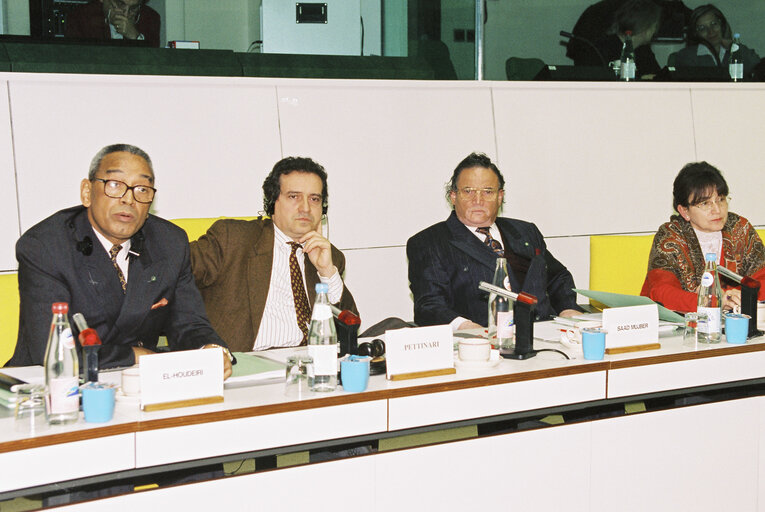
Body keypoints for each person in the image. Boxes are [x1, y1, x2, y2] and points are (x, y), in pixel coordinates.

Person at [6, 143, 232, 379]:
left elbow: (189, 322)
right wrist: (134, 355)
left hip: (140, 384)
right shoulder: (46, 246)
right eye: (115, 185)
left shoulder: (170, 243)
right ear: (87, 191)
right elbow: (53, 351)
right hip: (50, 385)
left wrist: (209, 348)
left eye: (142, 189)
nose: (129, 199)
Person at [190, 157, 358, 352]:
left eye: (314, 199)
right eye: (294, 196)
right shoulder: (232, 240)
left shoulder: (329, 256)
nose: (305, 208)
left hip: (313, 364)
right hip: (248, 365)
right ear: (272, 202)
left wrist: (327, 273)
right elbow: (174, 273)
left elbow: (350, 331)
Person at [406, 153, 582, 330]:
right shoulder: (429, 243)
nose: (478, 200)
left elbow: (558, 277)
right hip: (482, 343)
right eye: (468, 191)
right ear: (453, 196)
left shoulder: (526, 231)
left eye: (487, 191)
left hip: (546, 335)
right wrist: (464, 326)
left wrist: (568, 308)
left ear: (499, 196)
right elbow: (428, 306)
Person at [641, 161, 765, 312]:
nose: (717, 210)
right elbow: (661, 292)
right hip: (683, 327)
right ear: (684, 211)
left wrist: (739, 296)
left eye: (721, 199)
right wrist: (713, 301)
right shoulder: (670, 237)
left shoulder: (740, 229)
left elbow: (762, 279)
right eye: (705, 203)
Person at [571, 0, 663, 79]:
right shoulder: (599, 49)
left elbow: (657, 75)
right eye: (654, 26)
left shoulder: (644, 51)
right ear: (645, 27)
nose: (655, 30)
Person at [669, 4, 761, 78]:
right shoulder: (687, 56)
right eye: (702, 28)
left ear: (722, 25)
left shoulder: (734, 51)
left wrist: (734, 46)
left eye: (714, 24)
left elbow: (758, 68)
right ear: (695, 33)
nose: (711, 31)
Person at [65, 0, 161, 48]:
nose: (126, 14)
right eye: (120, 4)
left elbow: (154, 64)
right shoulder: (80, 16)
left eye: (134, 8)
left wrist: (135, 37)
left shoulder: (150, 18)